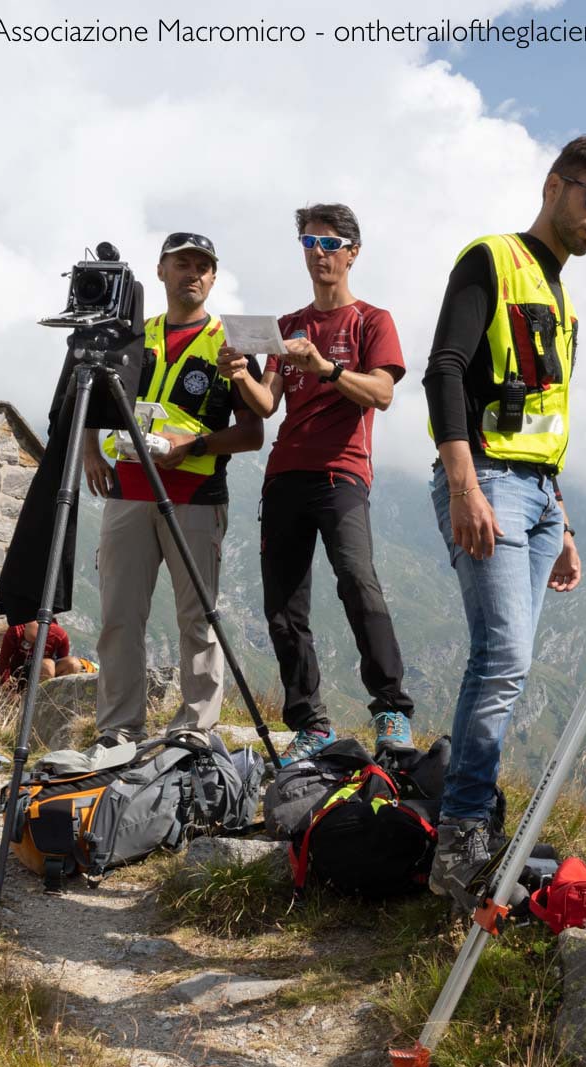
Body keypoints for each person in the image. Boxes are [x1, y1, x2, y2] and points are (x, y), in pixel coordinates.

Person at [422, 135, 586, 904]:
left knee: (507, 668)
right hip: (484, 480)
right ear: (555, 185)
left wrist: (565, 518)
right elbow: (444, 366)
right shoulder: (491, 258)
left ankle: (477, 823)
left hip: (539, 496)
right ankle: (459, 841)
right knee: (504, 658)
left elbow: (544, 417)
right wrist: (462, 483)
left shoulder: (559, 292)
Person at [228, 204, 414, 761]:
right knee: (283, 605)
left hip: (342, 472)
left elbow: (382, 393)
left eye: (330, 244)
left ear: (353, 252)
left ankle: (391, 710)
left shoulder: (372, 320)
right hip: (285, 472)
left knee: (358, 581)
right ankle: (310, 724)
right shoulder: (287, 327)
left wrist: (326, 369)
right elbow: (266, 403)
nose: (318, 253)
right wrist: (239, 373)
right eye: (309, 242)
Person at [83, 232, 264, 746]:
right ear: (160, 271)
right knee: (119, 617)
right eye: (182, 264)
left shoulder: (229, 343)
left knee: (198, 618)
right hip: (128, 492)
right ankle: (118, 729)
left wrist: (196, 444)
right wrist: (90, 451)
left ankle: (195, 730)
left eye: (204, 267)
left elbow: (254, 432)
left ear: (214, 276)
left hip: (196, 495)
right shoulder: (135, 334)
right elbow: (93, 394)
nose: (194, 275)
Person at [0, 619, 84, 683]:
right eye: (29, 642)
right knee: (47, 666)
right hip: (19, 671)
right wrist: (6, 683)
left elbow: (63, 660)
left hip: (46, 673)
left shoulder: (59, 636)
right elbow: (4, 659)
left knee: (73, 664)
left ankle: (54, 694)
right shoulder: (15, 630)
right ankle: (33, 699)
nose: (33, 647)